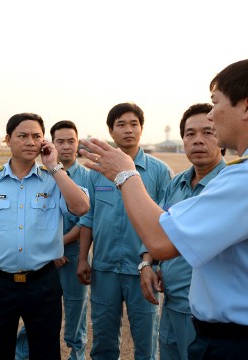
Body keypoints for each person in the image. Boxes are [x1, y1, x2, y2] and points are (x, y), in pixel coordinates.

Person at [80, 58, 248, 359]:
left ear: (247, 106)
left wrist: (126, 174)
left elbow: (161, 241)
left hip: (241, 346)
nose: (211, 114)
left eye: (215, 102)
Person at [0, 112, 90, 360]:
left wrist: (54, 167)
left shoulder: (54, 180)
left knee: (45, 353)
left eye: (36, 136)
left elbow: (81, 207)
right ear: (8, 139)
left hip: (43, 284)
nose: (31, 141)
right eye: (23, 135)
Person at [76, 102, 172, 360]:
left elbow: (166, 223)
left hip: (143, 270)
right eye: (121, 125)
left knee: (146, 342)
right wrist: (84, 258)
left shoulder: (160, 172)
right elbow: (88, 217)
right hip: (104, 268)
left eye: (134, 124)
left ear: (141, 128)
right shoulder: (96, 172)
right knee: (104, 342)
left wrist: (155, 264)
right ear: (111, 130)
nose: (128, 130)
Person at [138, 103, 225, 360]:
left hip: (206, 314)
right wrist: (146, 263)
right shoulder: (177, 182)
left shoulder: (229, 185)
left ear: (221, 137)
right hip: (172, 304)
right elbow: (160, 226)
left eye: (207, 132)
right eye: (190, 134)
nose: (197, 140)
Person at [15, 120, 91, 360]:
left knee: (75, 312)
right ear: (51, 144)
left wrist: (59, 246)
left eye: (71, 141)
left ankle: (75, 355)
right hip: (45, 259)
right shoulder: (40, 176)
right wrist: (51, 250)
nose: (66, 147)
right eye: (60, 141)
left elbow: (86, 219)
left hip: (73, 257)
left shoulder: (88, 178)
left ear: (77, 143)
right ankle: (23, 354)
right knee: (34, 311)